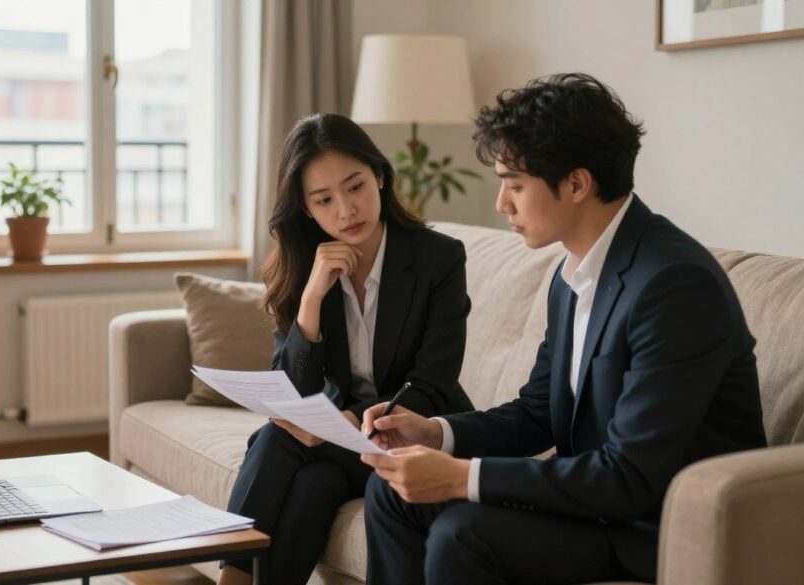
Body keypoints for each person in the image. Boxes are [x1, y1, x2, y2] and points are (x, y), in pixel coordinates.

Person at [359, 73, 767, 585]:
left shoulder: (674, 285)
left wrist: (462, 476)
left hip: (650, 526)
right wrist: (436, 433)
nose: (501, 204)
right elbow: (539, 414)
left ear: (577, 183)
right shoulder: (573, 272)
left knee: (463, 532)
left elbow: (630, 476)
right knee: (390, 494)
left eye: (514, 184)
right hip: (593, 505)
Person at [218, 112, 475, 585]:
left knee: (276, 441)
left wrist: (354, 422)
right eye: (324, 199)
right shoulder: (305, 266)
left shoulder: (438, 258)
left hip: (409, 434)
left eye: (355, 186)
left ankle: (229, 578)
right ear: (307, 210)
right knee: (312, 483)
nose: (345, 210)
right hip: (337, 449)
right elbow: (290, 392)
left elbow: (434, 381)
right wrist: (313, 298)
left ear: (379, 175)